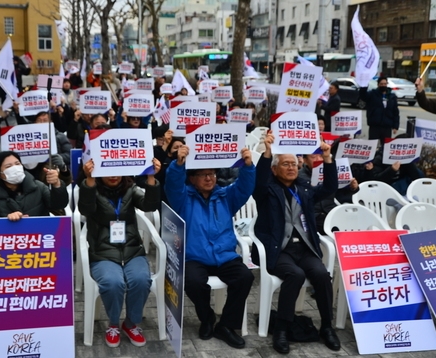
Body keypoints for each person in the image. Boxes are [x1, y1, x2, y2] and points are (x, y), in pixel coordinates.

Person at [252, 130, 340, 354]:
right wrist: (267, 152)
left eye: (294, 163)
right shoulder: (266, 190)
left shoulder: (305, 190)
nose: (291, 167)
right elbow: (258, 182)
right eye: (285, 164)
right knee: (295, 275)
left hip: (305, 247)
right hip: (278, 249)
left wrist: (328, 159)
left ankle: (327, 327)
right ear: (274, 168)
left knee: (321, 275)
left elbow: (330, 188)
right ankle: (281, 329)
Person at [164, 146, 255, 349]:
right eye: (204, 174)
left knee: (245, 277)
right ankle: (206, 318)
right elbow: (172, 184)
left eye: (212, 173)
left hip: (224, 255)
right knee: (194, 282)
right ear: (192, 178)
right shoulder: (182, 199)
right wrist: (178, 165)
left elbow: (244, 188)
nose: (209, 178)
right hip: (194, 257)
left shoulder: (225, 196)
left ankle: (227, 326)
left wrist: (248, 166)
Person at [78, 157, 161, 348]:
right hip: (103, 254)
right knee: (113, 282)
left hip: (132, 251)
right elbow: (86, 209)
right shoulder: (93, 189)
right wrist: (89, 180)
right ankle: (113, 323)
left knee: (141, 280)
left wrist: (151, 178)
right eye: (107, 171)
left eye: (117, 170)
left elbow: (149, 205)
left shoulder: (131, 189)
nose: (113, 176)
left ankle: (130, 323)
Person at [0, 151, 69, 220]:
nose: (15, 168)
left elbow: (59, 205)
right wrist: (7, 221)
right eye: (8, 166)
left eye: (17, 164)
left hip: (40, 235)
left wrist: (57, 184)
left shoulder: (38, 187)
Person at [359, 76, 399, 146]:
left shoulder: (392, 96)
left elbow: (395, 112)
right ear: (378, 84)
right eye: (381, 84)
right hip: (375, 126)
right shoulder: (372, 94)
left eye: (385, 84)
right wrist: (364, 85)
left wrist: (395, 126)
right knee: (372, 146)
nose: (383, 85)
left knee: (386, 147)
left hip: (387, 127)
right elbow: (363, 96)